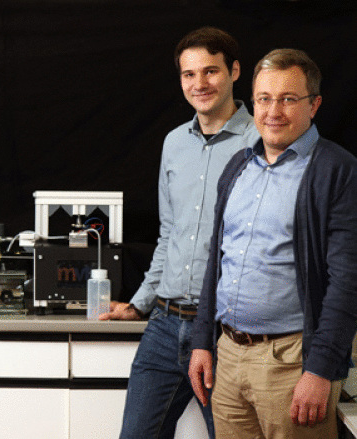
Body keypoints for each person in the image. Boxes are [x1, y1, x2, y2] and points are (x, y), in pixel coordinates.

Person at [188, 48, 357, 439]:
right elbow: (218, 260)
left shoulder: (338, 171)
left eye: (288, 99)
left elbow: (348, 282)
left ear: (314, 105)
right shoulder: (238, 167)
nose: (273, 111)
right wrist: (202, 343)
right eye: (264, 98)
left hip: (291, 364)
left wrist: (319, 370)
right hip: (228, 359)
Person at [99, 26, 259, 438]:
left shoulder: (262, 141)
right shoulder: (174, 143)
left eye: (211, 71)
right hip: (166, 325)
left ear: (235, 71)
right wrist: (140, 303)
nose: (199, 84)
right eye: (189, 74)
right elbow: (168, 235)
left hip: (226, 333)